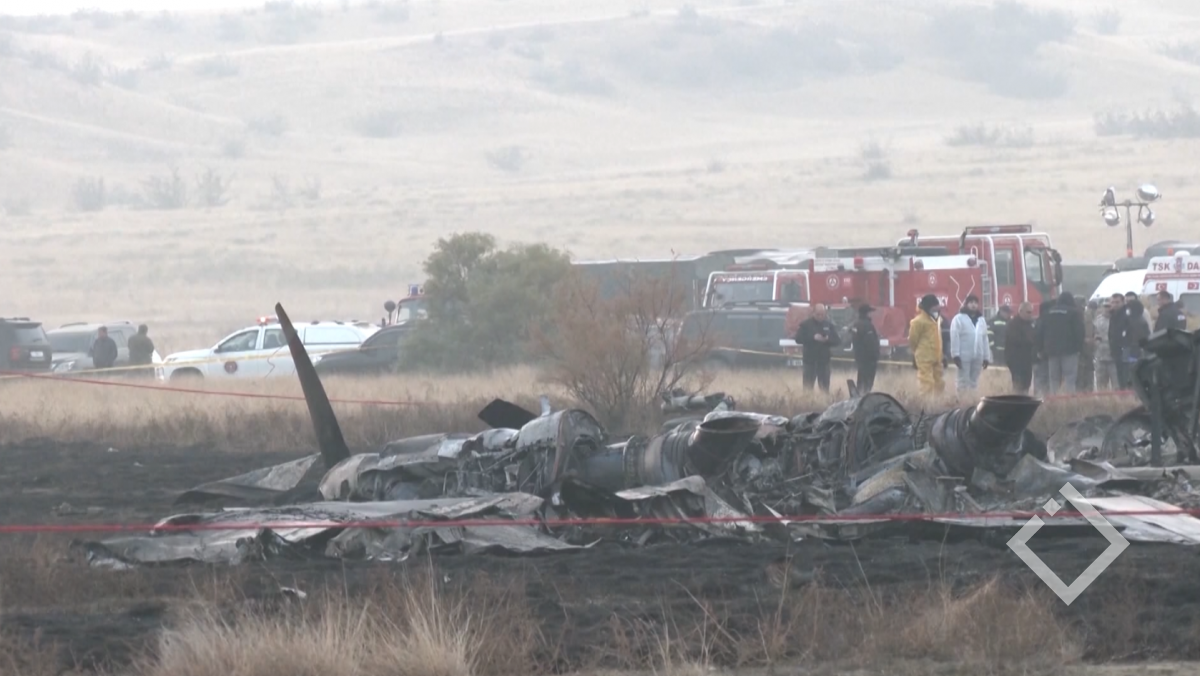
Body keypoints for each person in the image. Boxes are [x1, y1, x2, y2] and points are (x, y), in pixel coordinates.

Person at [1042, 292, 1084, 395]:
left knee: (1054, 379)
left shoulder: (1048, 312)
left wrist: (1042, 348)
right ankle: (1068, 401)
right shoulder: (1074, 313)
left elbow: (1041, 331)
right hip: (1070, 351)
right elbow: (1080, 332)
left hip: (1051, 351)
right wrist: (1079, 348)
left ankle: (1054, 401)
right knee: (1070, 378)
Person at [949, 294, 992, 391]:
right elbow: (954, 336)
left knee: (974, 382)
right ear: (966, 304)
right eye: (971, 303)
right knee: (962, 381)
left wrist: (986, 357)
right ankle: (962, 403)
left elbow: (985, 338)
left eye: (976, 303)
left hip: (978, 356)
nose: (974, 305)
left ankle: (972, 402)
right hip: (964, 355)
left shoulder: (981, 320)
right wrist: (955, 355)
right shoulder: (958, 319)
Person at [795, 303, 840, 393]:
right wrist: (813, 337)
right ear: (813, 313)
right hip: (810, 362)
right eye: (818, 314)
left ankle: (824, 402)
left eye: (822, 314)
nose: (820, 316)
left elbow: (837, 340)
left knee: (825, 388)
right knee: (808, 387)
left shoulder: (829, 325)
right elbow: (798, 339)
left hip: (824, 362)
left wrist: (827, 339)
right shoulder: (805, 325)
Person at [909, 294, 946, 396]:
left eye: (937, 307)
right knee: (926, 383)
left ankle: (938, 404)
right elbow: (913, 340)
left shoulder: (938, 319)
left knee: (940, 382)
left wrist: (942, 355)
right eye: (934, 307)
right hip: (924, 357)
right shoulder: (917, 322)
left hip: (937, 356)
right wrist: (915, 353)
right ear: (927, 307)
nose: (936, 310)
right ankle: (926, 405)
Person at [1005, 302, 1037, 393]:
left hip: (1028, 359)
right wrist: (1031, 341)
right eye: (1028, 312)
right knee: (1018, 384)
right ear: (1021, 311)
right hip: (1016, 359)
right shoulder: (1013, 324)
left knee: (1027, 383)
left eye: (1031, 312)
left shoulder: (1031, 324)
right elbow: (1015, 339)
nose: (1030, 314)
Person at [850, 303, 880, 393]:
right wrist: (875, 355)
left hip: (860, 358)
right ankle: (864, 396)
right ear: (867, 313)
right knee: (867, 381)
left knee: (861, 379)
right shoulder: (867, 325)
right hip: (869, 359)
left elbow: (855, 340)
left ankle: (860, 395)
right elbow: (870, 343)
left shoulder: (856, 324)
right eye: (870, 312)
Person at [1122, 297, 1152, 376]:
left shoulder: (1136, 321)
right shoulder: (1139, 319)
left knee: (1131, 371)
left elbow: (1137, 337)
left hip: (1133, 350)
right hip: (1135, 349)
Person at [1093, 299, 1115, 391]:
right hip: (1100, 357)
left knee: (1116, 384)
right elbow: (1093, 334)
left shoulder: (1117, 319)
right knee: (1101, 384)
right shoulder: (1097, 320)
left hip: (1113, 357)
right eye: (1105, 306)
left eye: (1109, 306)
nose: (1107, 309)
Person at [1108, 293, 1128, 388]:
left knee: (1126, 376)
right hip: (1116, 350)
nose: (1115, 304)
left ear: (1123, 302)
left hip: (1125, 350)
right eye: (1113, 302)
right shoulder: (1113, 315)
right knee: (1120, 377)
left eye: (1117, 302)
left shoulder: (1126, 315)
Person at [1078, 300, 1097, 393]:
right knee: (1083, 375)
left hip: (1086, 350)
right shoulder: (1085, 316)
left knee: (1086, 374)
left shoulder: (1087, 316)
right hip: (1083, 350)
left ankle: (1086, 393)